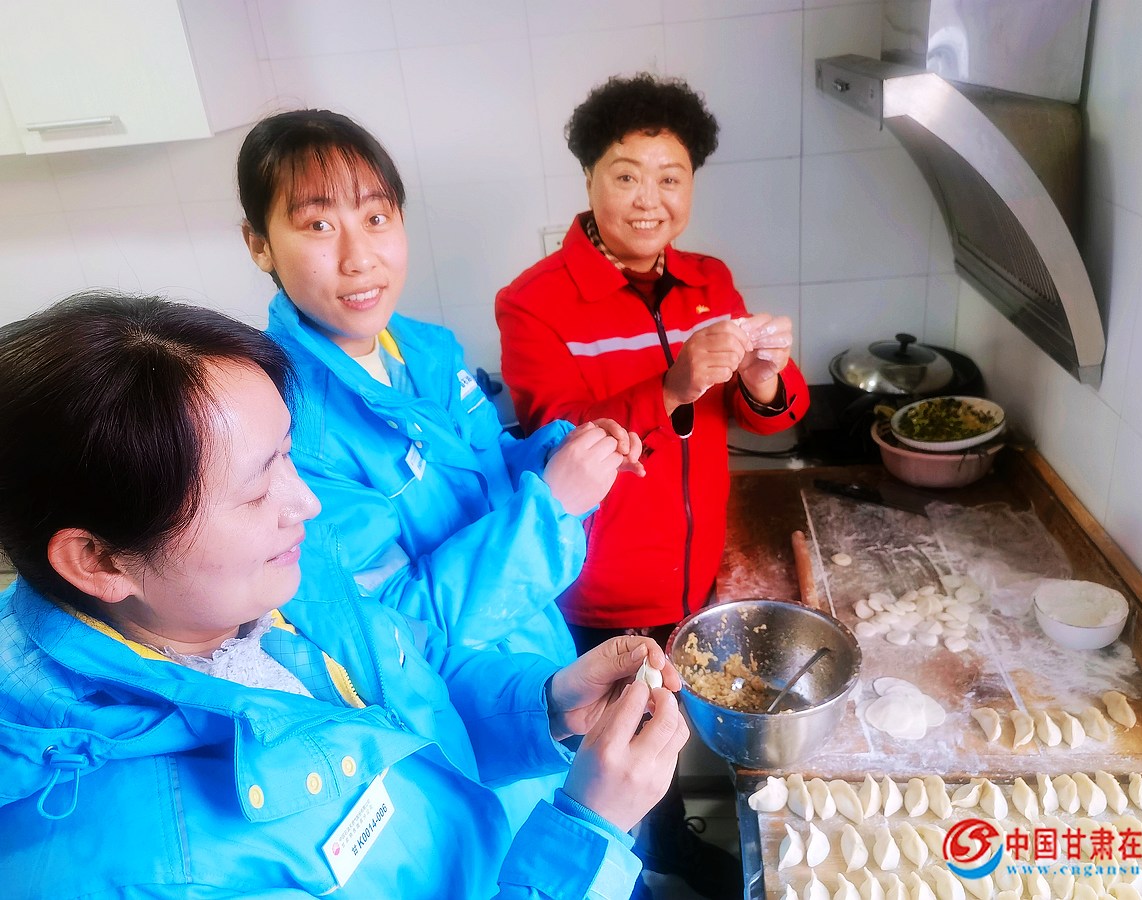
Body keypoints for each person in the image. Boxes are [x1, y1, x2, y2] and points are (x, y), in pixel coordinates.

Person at [0, 291, 689, 900]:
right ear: (99, 560)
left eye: (288, 455)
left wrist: (548, 705)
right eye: (255, 490)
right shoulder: (149, 871)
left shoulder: (262, 591)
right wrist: (588, 830)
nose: (304, 503)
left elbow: (411, 675)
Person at [237, 109, 644, 829]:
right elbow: (400, 630)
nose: (359, 258)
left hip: (538, 652)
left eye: (376, 218)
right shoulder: (288, 428)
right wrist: (552, 508)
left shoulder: (423, 349)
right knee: (531, 849)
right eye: (319, 226)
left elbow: (484, 470)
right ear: (259, 244)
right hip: (464, 719)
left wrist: (558, 451)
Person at [496, 73, 810, 897]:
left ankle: (668, 855)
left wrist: (767, 378)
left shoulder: (710, 281)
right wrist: (670, 386)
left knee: (668, 735)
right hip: (600, 588)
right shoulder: (533, 304)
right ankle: (629, 875)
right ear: (589, 178)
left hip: (693, 575)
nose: (649, 200)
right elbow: (555, 444)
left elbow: (769, 419)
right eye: (626, 175)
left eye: (670, 177)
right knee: (611, 750)